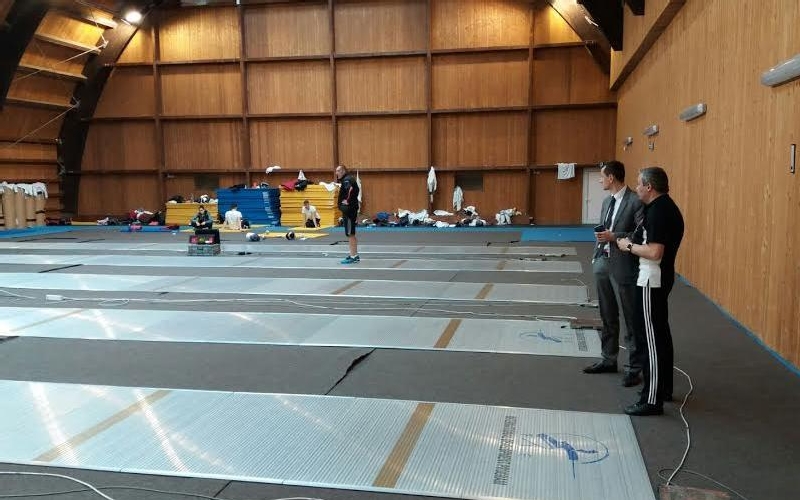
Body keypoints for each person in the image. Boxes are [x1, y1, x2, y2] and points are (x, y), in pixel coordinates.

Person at [616, 166, 684, 416]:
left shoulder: (658, 211)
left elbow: (655, 252)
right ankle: (662, 389)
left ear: (649, 187)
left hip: (650, 281)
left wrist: (628, 246)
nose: (636, 188)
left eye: (639, 184)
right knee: (659, 336)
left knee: (650, 340)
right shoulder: (663, 207)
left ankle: (652, 399)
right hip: (656, 279)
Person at [583, 161, 645, 389]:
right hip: (603, 262)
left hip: (624, 266)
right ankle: (608, 358)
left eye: (602, 177)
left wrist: (614, 236)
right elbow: (603, 230)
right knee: (607, 314)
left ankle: (633, 368)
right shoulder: (606, 201)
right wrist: (597, 252)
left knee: (630, 317)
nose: (600, 180)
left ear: (611, 178)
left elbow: (639, 234)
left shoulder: (635, 201)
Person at [335, 164, 360, 264]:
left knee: (350, 234)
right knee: (351, 233)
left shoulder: (346, 180)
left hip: (349, 211)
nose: (336, 173)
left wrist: (347, 201)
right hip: (350, 210)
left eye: (338, 171)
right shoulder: (348, 179)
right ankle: (354, 255)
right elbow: (355, 190)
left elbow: (350, 190)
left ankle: (353, 256)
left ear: (343, 171)